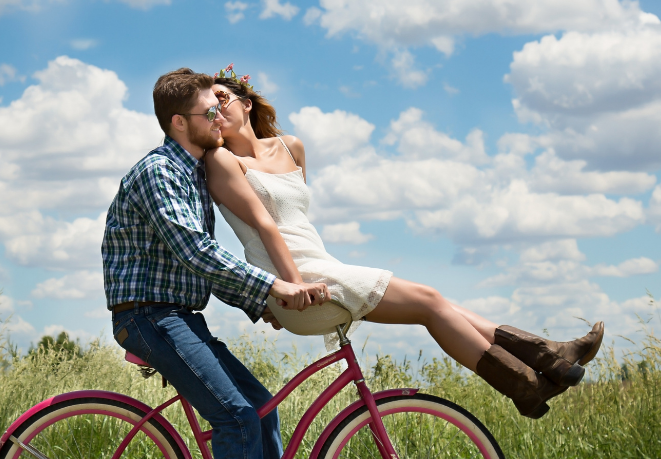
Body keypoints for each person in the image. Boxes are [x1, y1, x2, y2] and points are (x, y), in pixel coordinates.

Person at [204, 66, 604, 420]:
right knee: (430, 302)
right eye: (207, 109)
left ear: (246, 102)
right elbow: (266, 228)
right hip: (297, 282)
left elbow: (297, 223)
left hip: (318, 267)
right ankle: (530, 379)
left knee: (437, 303)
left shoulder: (292, 147)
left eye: (222, 99)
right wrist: (287, 288)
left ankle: (546, 362)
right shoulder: (223, 162)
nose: (216, 111)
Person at [101, 68, 334, 459]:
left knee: (262, 408)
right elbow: (196, 252)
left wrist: (261, 304)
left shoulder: (192, 173)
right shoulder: (161, 172)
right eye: (211, 111)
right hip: (148, 316)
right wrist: (275, 287)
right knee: (237, 419)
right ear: (181, 122)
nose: (220, 119)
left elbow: (197, 268)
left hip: (179, 314)